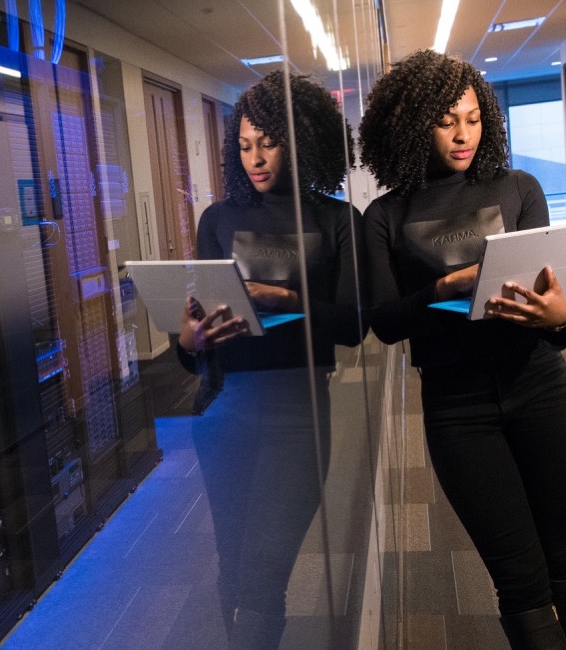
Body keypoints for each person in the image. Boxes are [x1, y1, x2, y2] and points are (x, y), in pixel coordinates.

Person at [357, 50, 566, 650]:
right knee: (517, 574)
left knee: (556, 551)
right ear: (410, 124)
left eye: (474, 117)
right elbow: (382, 322)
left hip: (542, 389)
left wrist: (562, 318)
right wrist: (442, 288)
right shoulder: (384, 215)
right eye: (446, 120)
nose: (463, 134)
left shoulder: (518, 188)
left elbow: (556, 319)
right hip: (458, 410)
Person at [174, 70, 361, 648]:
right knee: (233, 561)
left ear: (299, 141)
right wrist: (190, 341)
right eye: (246, 145)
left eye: (269, 143)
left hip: (297, 412)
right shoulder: (217, 220)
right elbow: (194, 353)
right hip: (224, 409)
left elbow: (354, 326)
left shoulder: (336, 221)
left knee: (263, 572)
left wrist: (289, 301)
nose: (256, 158)